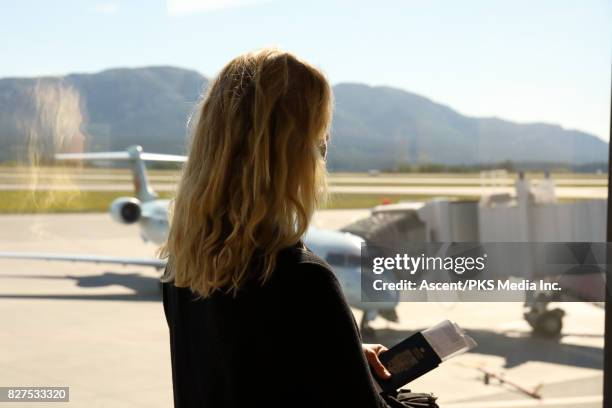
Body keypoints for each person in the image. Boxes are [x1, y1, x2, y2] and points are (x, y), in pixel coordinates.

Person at [160, 48, 436, 408]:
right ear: (292, 152)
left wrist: (344, 356)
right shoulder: (302, 280)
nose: (325, 146)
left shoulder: (180, 268)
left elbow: (244, 371)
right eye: (319, 133)